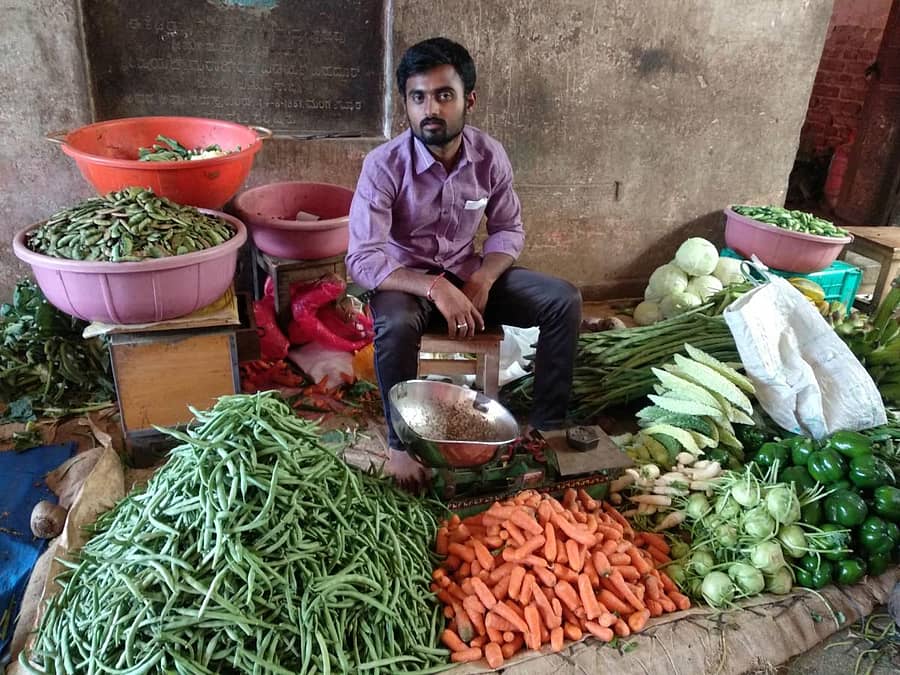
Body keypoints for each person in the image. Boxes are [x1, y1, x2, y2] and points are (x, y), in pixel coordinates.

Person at [346, 37, 582, 486]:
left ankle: (547, 427)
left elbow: (508, 229)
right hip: (407, 283)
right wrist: (436, 288)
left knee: (562, 300)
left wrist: (483, 280)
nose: (429, 109)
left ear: (468, 100)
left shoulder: (489, 156)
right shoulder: (383, 166)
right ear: (407, 106)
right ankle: (399, 444)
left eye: (443, 95)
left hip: (468, 273)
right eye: (418, 98)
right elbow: (363, 257)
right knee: (394, 325)